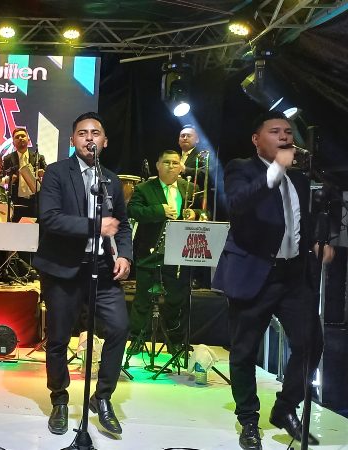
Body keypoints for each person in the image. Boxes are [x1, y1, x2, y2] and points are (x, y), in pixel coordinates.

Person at [212, 111, 332, 450]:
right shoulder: (241, 168)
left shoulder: (300, 180)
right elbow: (237, 203)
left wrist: (315, 244)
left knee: (310, 343)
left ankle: (285, 408)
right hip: (253, 273)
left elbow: (299, 221)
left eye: (288, 132)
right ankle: (249, 420)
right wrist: (275, 170)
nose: (284, 136)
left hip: (293, 275)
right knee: (244, 351)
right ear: (256, 139)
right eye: (275, 131)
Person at [33, 112, 132, 436]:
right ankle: (59, 399)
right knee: (59, 338)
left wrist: (125, 256)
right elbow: (50, 218)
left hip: (101, 268)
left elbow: (123, 225)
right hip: (63, 269)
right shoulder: (57, 173)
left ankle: (102, 397)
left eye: (95, 133)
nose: (89, 138)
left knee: (119, 328)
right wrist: (95, 226)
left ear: (105, 141)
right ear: (73, 140)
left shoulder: (112, 180)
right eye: (82, 133)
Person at [127, 149, 204, 353]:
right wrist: (159, 211)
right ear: (158, 166)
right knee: (143, 299)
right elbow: (132, 210)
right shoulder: (144, 188)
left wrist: (194, 213)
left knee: (176, 299)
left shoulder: (191, 188)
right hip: (149, 252)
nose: (171, 166)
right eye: (167, 162)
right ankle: (137, 339)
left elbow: (204, 212)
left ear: (181, 167)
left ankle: (175, 342)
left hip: (180, 252)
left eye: (175, 163)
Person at [0, 127, 46, 222]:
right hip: (15, 201)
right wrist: (8, 180)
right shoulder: (8, 159)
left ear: (28, 140)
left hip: (35, 201)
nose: (20, 138)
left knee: (34, 228)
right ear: (13, 142)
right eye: (17, 137)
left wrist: (43, 174)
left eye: (23, 136)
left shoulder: (38, 158)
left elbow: (49, 176)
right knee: (15, 228)